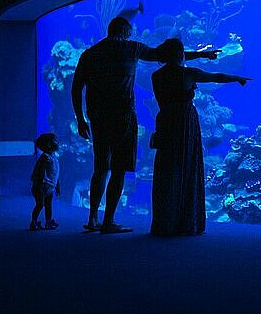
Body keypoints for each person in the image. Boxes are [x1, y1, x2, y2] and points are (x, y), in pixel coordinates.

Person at [71, 17, 220, 234]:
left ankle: (93, 216)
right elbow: (167, 56)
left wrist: (80, 118)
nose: (131, 36)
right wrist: (202, 55)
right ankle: (108, 221)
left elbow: (77, 88)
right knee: (119, 169)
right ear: (124, 31)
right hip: (123, 117)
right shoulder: (131, 47)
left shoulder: (90, 54)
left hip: (99, 118)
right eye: (129, 32)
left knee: (101, 167)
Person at [150, 38, 250, 236]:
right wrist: (237, 77)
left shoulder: (156, 75)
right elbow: (217, 77)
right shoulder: (188, 73)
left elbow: (177, 59)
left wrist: (202, 54)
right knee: (187, 166)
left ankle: (165, 221)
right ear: (181, 55)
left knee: (167, 168)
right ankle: (187, 222)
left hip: (165, 120)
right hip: (184, 123)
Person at [30, 133, 61, 231]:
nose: (58, 142)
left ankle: (48, 222)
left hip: (50, 186)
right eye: (55, 141)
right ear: (49, 144)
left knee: (48, 205)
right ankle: (33, 222)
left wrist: (57, 186)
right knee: (40, 204)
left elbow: (55, 173)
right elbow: (39, 172)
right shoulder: (45, 157)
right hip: (41, 186)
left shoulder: (53, 157)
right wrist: (39, 185)